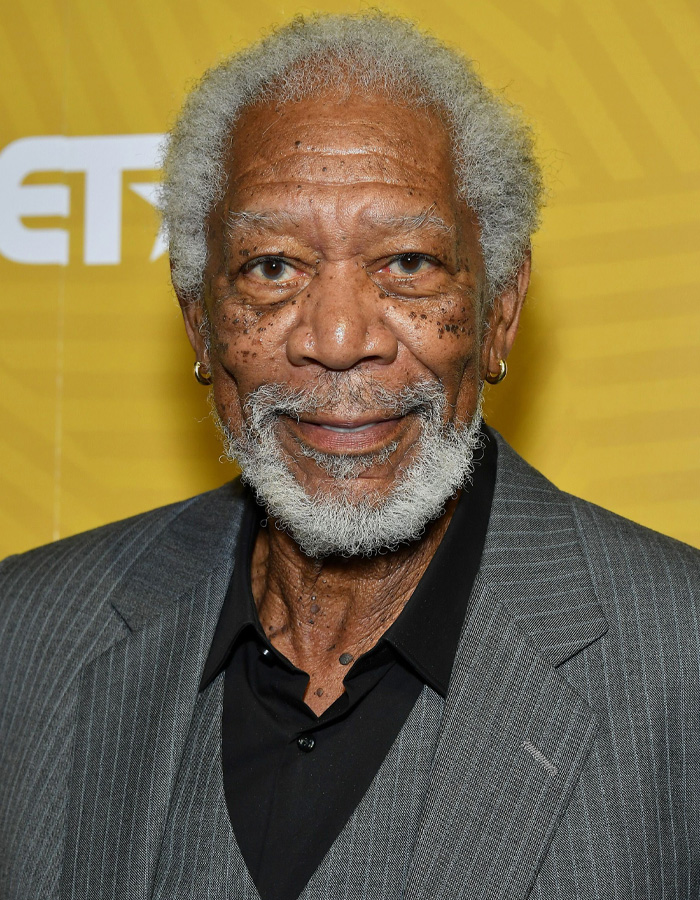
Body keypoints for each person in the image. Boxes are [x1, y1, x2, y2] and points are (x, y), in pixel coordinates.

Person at [1, 12, 698, 900]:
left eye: (407, 262)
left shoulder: (681, 658)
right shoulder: (25, 638)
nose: (337, 340)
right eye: (272, 268)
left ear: (498, 312)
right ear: (200, 322)